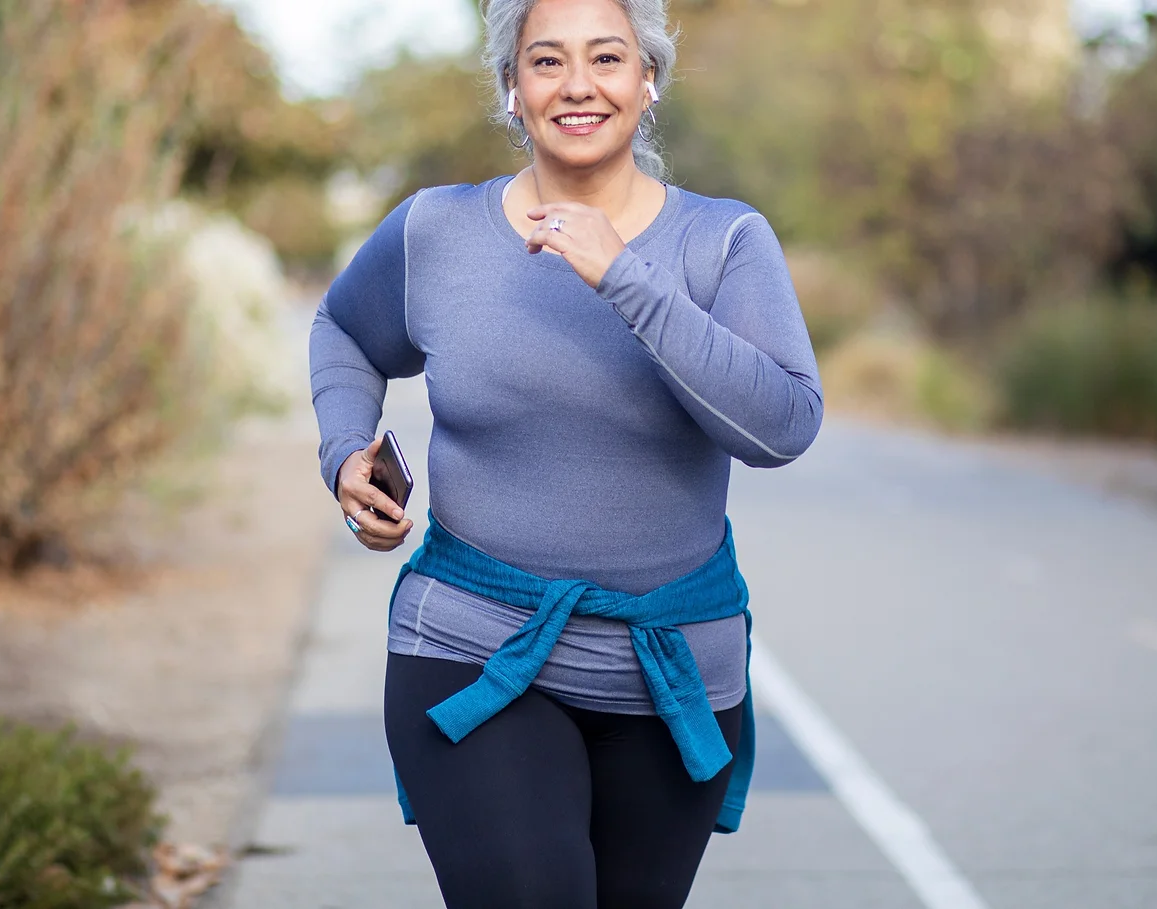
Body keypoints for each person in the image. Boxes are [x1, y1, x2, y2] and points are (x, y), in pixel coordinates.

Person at [308, 0, 823, 904]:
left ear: (647, 80)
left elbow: (779, 428)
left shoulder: (723, 242)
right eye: (546, 62)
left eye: (607, 58)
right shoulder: (434, 231)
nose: (577, 85)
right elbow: (344, 329)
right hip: (473, 647)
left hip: (670, 676)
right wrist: (348, 449)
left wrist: (625, 276)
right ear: (511, 88)